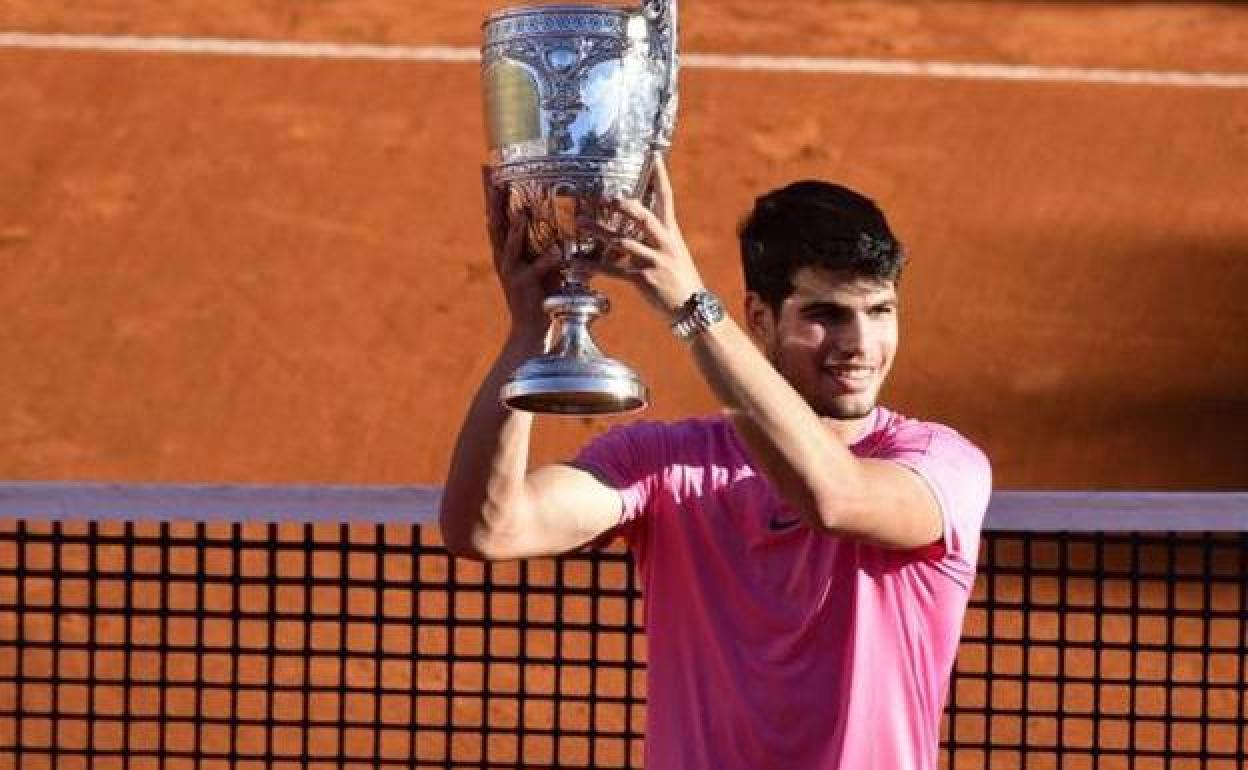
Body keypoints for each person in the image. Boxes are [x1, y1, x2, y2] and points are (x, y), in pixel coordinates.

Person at [440, 156, 993, 770]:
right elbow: (487, 528)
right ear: (759, 318)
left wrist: (690, 306)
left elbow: (833, 499)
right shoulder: (666, 467)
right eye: (825, 315)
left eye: (879, 311)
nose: (860, 344)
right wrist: (530, 336)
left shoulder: (941, 464)